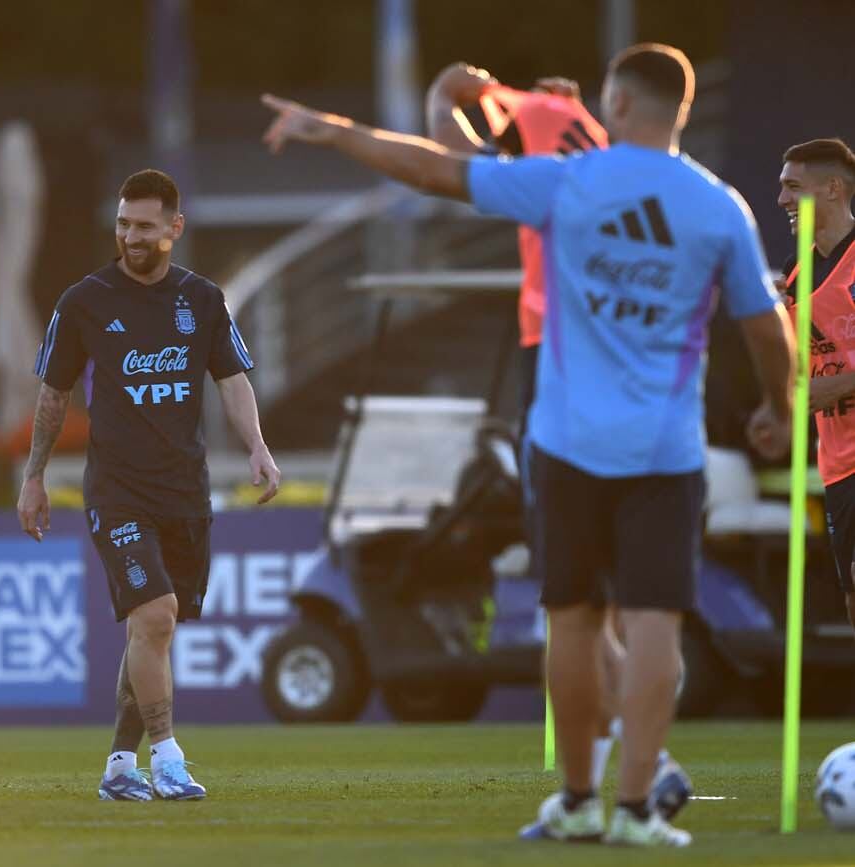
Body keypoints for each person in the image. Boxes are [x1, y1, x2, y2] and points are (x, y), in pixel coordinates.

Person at [261, 42, 794, 847]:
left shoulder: (568, 183)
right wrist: (778, 410)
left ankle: (580, 799)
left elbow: (435, 170)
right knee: (656, 624)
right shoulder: (720, 207)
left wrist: (329, 128)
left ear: (616, 103)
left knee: (573, 620)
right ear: (680, 110)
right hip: (664, 449)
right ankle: (642, 807)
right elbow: (765, 324)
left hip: (567, 440)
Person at [426, 64, 690, 820]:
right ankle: (624, 765)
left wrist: (448, 91)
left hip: (559, 353)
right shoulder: (607, 145)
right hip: (628, 363)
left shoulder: (541, 115)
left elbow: (452, 145)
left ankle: (638, 766)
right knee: (613, 599)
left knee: (571, 594)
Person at [18, 169, 281, 802]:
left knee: (151, 633)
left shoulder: (204, 300)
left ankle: (117, 767)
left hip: (185, 492)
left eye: (143, 226)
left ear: (173, 228)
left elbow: (232, 379)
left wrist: (257, 446)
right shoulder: (82, 302)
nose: (130, 236)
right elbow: (52, 396)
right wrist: (34, 477)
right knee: (155, 617)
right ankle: (167, 759)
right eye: (122, 224)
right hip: (116, 492)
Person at [776, 138, 855, 635]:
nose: (782, 199)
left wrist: (836, 388)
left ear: (832, 189)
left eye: (793, 187)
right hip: (837, 463)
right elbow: (799, 372)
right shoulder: (795, 276)